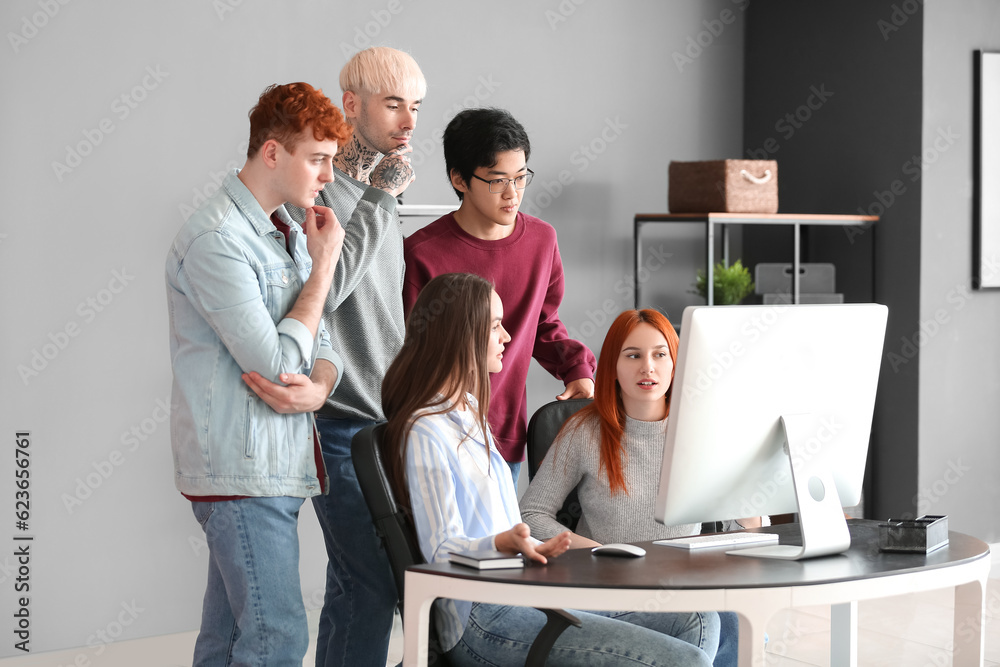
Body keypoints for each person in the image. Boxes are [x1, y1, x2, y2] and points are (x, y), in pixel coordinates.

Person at [381, 273, 720, 666]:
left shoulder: (471, 418)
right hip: (482, 617)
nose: (507, 336)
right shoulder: (427, 429)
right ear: (461, 334)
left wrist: (533, 549)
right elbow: (439, 549)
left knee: (699, 619)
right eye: (495, 326)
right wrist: (503, 543)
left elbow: (511, 530)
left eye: (661, 354)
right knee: (687, 660)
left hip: (525, 593)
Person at [165, 82, 351, 666]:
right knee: (276, 638)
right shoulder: (217, 239)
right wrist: (322, 271)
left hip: (276, 462)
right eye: (317, 160)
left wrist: (318, 388)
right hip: (242, 471)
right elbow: (274, 362)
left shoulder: (286, 232)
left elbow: (324, 344)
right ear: (272, 153)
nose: (327, 176)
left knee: (227, 643)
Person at [269, 46, 425, 667]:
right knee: (371, 583)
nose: (409, 122)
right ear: (352, 105)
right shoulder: (314, 187)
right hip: (338, 421)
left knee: (353, 582)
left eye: (415, 107)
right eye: (393, 105)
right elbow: (325, 289)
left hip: (384, 416)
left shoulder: (377, 186)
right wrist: (378, 197)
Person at [520, 308, 763, 667]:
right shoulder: (584, 431)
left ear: (675, 363)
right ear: (613, 367)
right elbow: (532, 514)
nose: (647, 367)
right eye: (632, 355)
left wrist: (748, 494)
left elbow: (741, 531)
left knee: (741, 626)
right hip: (607, 591)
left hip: (682, 589)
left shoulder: (703, 430)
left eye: (659, 355)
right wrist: (598, 552)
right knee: (705, 622)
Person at [403, 108, 595, 483]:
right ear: (459, 179)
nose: (512, 194)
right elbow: (412, 355)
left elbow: (543, 323)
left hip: (507, 436)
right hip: (439, 439)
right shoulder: (422, 253)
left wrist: (576, 369)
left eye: (521, 178)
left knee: (503, 541)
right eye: (497, 181)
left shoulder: (542, 241)